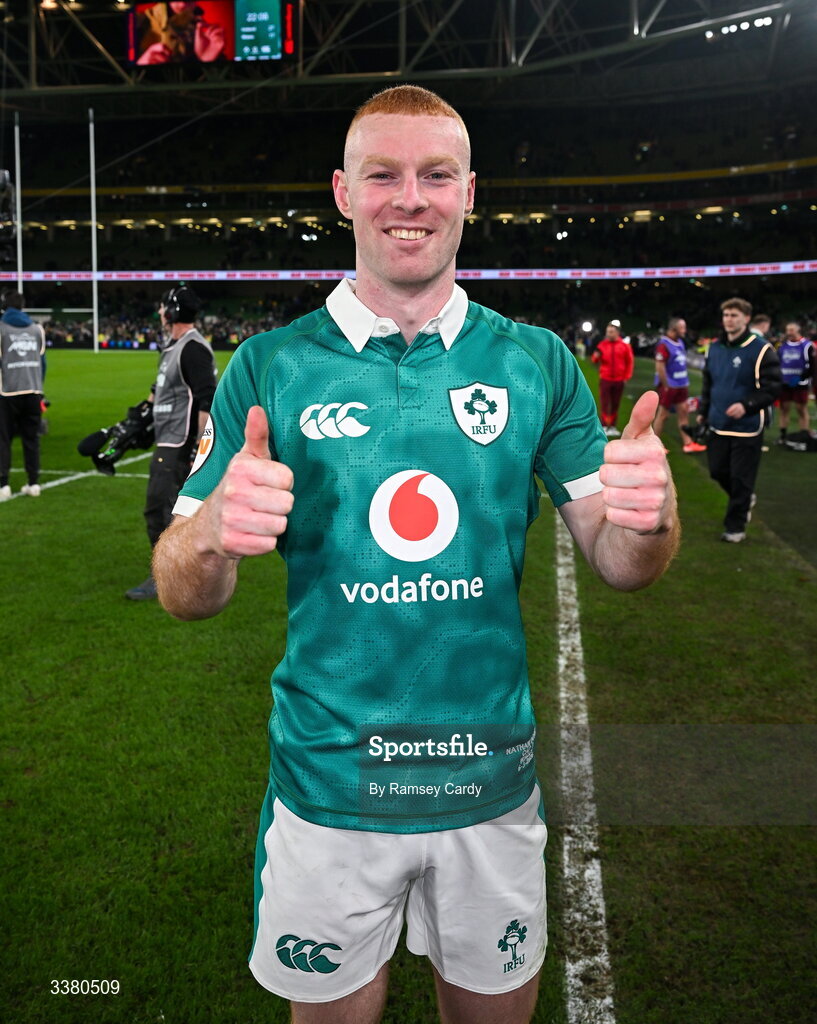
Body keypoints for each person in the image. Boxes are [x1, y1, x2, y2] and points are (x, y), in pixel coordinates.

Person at [152, 86, 679, 1023]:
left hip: (488, 784)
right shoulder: (268, 367)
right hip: (328, 786)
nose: (410, 198)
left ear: (469, 192)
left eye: (435, 176)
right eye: (382, 174)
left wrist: (648, 523)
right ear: (342, 193)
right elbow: (183, 592)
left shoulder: (537, 362)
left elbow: (617, 562)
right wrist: (210, 534)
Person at [126, 283, 217, 600]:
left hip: (179, 443)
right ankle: (183, 572)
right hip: (167, 438)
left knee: (160, 511)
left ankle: (166, 578)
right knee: (163, 510)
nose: (161, 313)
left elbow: (207, 400)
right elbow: (160, 394)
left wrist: (198, 450)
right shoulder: (174, 348)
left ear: (173, 311)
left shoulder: (192, 348)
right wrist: (135, 423)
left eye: (164, 307)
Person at [698, 297, 780, 544]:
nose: (729, 320)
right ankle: (744, 498)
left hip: (747, 426)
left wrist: (747, 405)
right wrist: (703, 409)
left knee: (741, 478)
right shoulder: (714, 348)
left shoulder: (762, 349)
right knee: (717, 471)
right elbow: (708, 382)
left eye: (734, 315)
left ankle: (735, 527)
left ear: (746, 319)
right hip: (718, 422)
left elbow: (773, 387)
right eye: (726, 315)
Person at [0, 291, 46, 501]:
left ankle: (3, 485)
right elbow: (42, 362)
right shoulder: (37, 329)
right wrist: (39, 387)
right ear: (23, 306)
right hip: (33, 391)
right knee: (31, 439)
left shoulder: (2, 328)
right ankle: (34, 483)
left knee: (3, 439)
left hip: (7, 391)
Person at [651, 316, 706, 453]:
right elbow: (660, 367)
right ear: (674, 328)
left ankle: (688, 443)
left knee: (683, 412)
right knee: (663, 415)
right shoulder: (664, 344)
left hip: (682, 385)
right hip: (670, 386)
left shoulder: (680, 342)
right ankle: (654, 446)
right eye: (682, 327)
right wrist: (666, 385)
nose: (685, 330)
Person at [136, 2, 226, 65]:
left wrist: (207, 61)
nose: (182, 4)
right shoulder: (138, 21)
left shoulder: (203, 31)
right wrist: (141, 64)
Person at [591, 322, 634, 437]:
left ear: (617, 332)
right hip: (606, 378)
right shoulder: (602, 345)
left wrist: (626, 377)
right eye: (607, 332)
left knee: (615, 404)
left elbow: (629, 362)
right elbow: (594, 360)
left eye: (611, 332)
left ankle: (613, 426)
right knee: (605, 403)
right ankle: (605, 426)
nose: (608, 334)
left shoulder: (624, 346)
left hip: (619, 380)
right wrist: (595, 356)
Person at [776, 320, 815, 442]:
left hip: (800, 383)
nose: (789, 333)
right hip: (784, 382)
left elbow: (812, 366)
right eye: (787, 330)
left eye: (791, 330)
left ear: (798, 330)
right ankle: (782, 436)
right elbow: (777, 362)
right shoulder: (782, 346)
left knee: (801, 409)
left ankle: (804, 435)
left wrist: (801, 378)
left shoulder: (807, 345)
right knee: (784, 409)